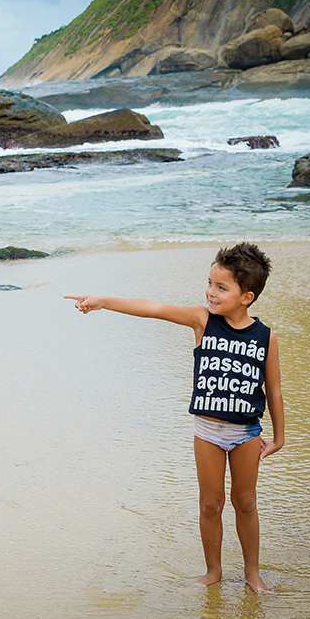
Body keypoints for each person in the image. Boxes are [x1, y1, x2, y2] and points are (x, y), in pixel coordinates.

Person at [64, 243, 284, 593]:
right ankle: (213, 572)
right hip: (207, 432)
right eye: (210, 283)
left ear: (247, 296)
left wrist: (280, 437)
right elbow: (153, 308)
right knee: (211, 504)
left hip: (246, 433)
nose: (211, 292)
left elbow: (273, 389)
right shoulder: (202, 320)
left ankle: (252, 573)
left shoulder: (265, 337)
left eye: (221, 287)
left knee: (246, 502)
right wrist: (104, 300)